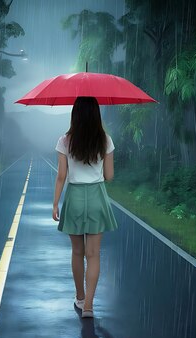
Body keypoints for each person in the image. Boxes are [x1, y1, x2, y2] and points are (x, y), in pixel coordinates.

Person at [52, 96, 119, 319]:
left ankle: (79, 297)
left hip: (75, 197)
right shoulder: (105, 140)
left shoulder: (65, 140)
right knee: (93, 254)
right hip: (97, 197)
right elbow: (109, 177)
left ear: (75, 115)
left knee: (77, 252)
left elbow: (62, 176)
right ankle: (89, 305)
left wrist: (55, 204)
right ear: (96, 114)